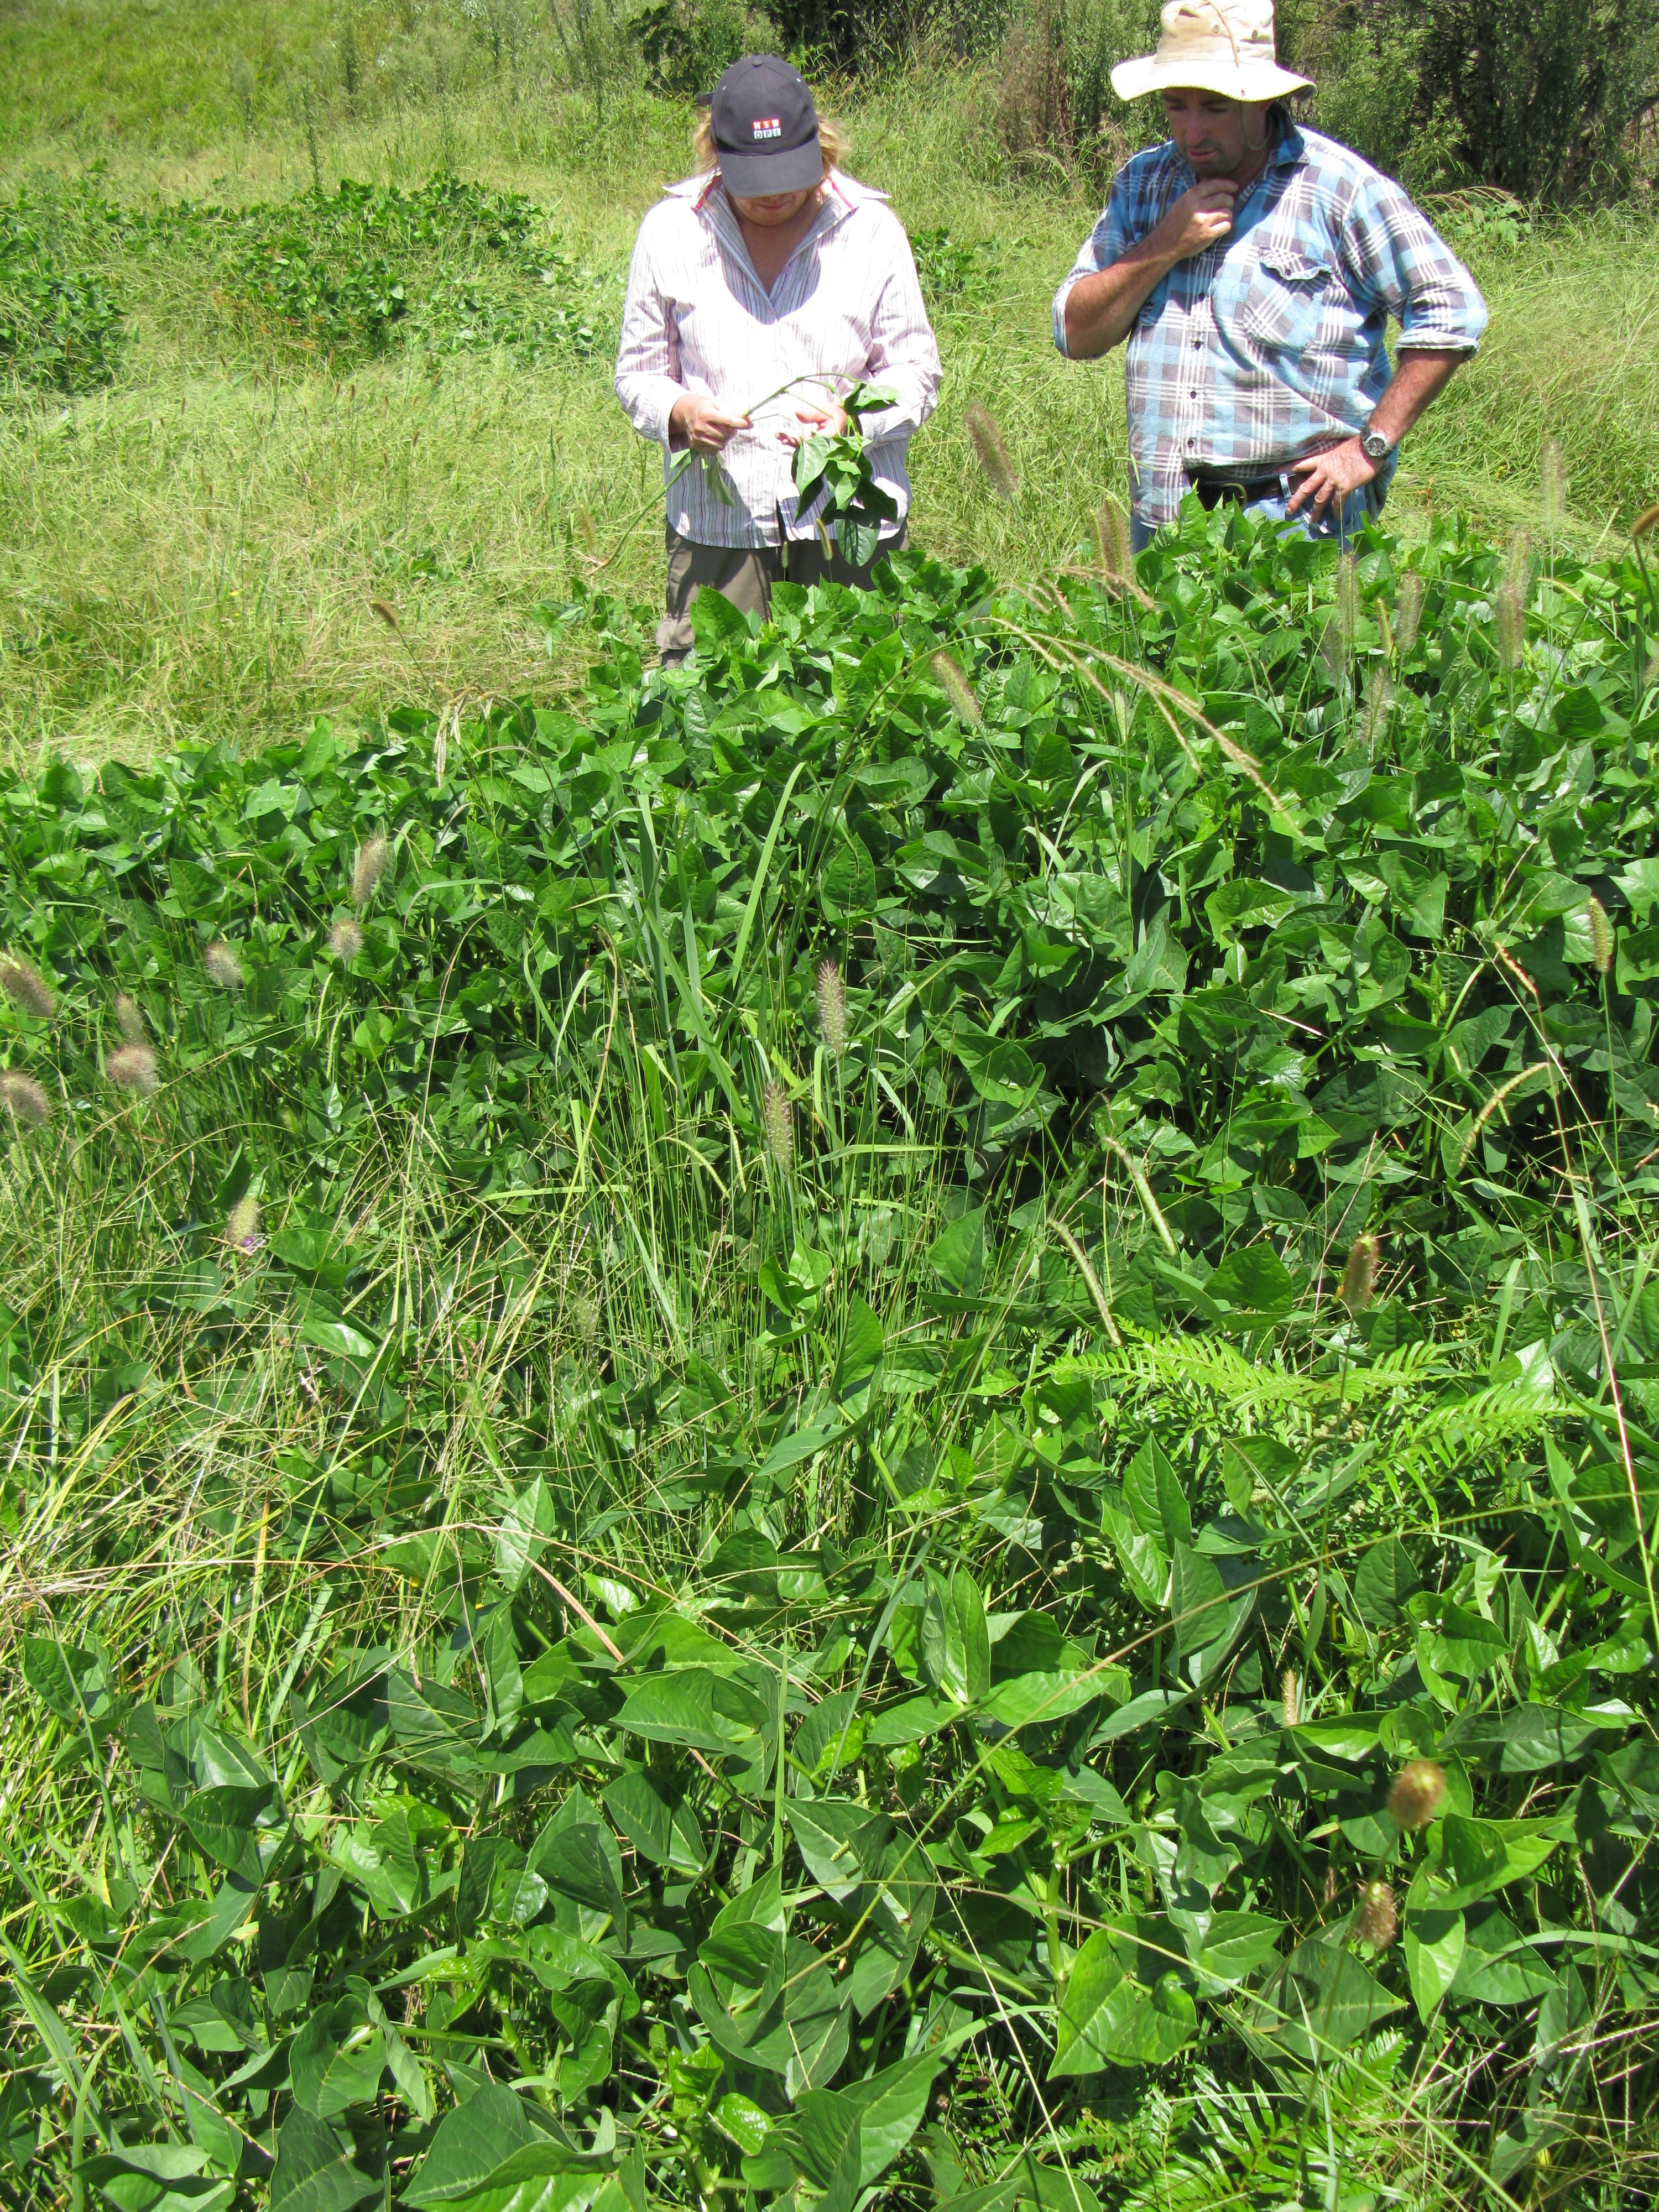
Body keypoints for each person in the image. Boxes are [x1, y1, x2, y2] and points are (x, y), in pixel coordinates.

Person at [1052, 0, 1488, 552]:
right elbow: (1075, 333)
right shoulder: (1144, 184)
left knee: (1300, 641)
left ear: (1261, 101)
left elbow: (1452, 310)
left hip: (1294, 516)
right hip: (1166, 514)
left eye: (1213, 107)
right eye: (1175, 106)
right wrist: (1164, 245)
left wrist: (1368, 450)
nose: (1192, 132)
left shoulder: (1336, 188)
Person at [615, 54, 942, 662]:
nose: (775, 196)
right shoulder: (671, 232)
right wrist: (682, 412)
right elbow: (638, 374)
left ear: (820, 145)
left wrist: (853, 423)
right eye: (753, 181)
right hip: (721, 522)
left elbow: (917, 372)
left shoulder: (870, 230)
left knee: (851, 698)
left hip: (846, 518)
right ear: (715, 152)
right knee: (713, 705)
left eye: (791, 173)